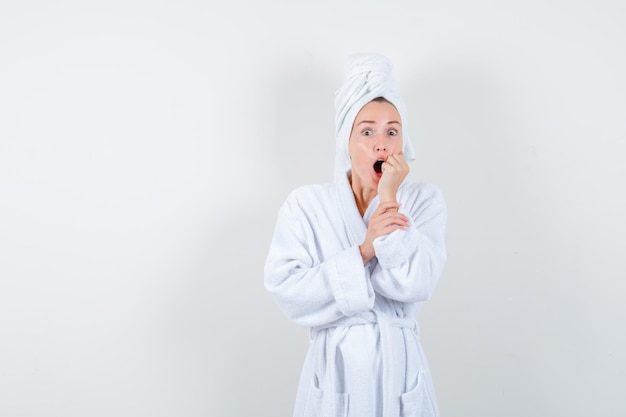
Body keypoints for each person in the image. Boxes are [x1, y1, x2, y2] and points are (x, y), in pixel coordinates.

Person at [264, 53, 447, 417]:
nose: (382, 144)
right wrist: (363, 251)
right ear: (345, 142)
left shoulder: (424, 201)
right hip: (336, 377)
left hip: (401, 374)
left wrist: (389, 199)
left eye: (392, 131)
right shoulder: (305, 205)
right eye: (367, 131)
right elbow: (287, 291)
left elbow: (416, 284)